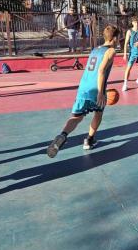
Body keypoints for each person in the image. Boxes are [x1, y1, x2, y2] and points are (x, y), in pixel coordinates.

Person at [47, 25, 120, 157]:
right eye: (118, 37)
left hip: (83, 86)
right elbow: (101, 70)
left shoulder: (95, 49)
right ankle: (89, 140)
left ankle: (62, 135)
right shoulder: (111, 51)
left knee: (76, 117)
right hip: (95, 88)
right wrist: (100, 92)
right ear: (114, 38)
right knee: (98, 113)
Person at [122, 17, 138, 91]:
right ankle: (125, 84)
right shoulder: (129, 31)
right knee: (128, 68)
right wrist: (124, 54)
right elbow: (126, 43)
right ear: (132, 23)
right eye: (135, 22)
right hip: (132, 53)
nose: (137, 23)